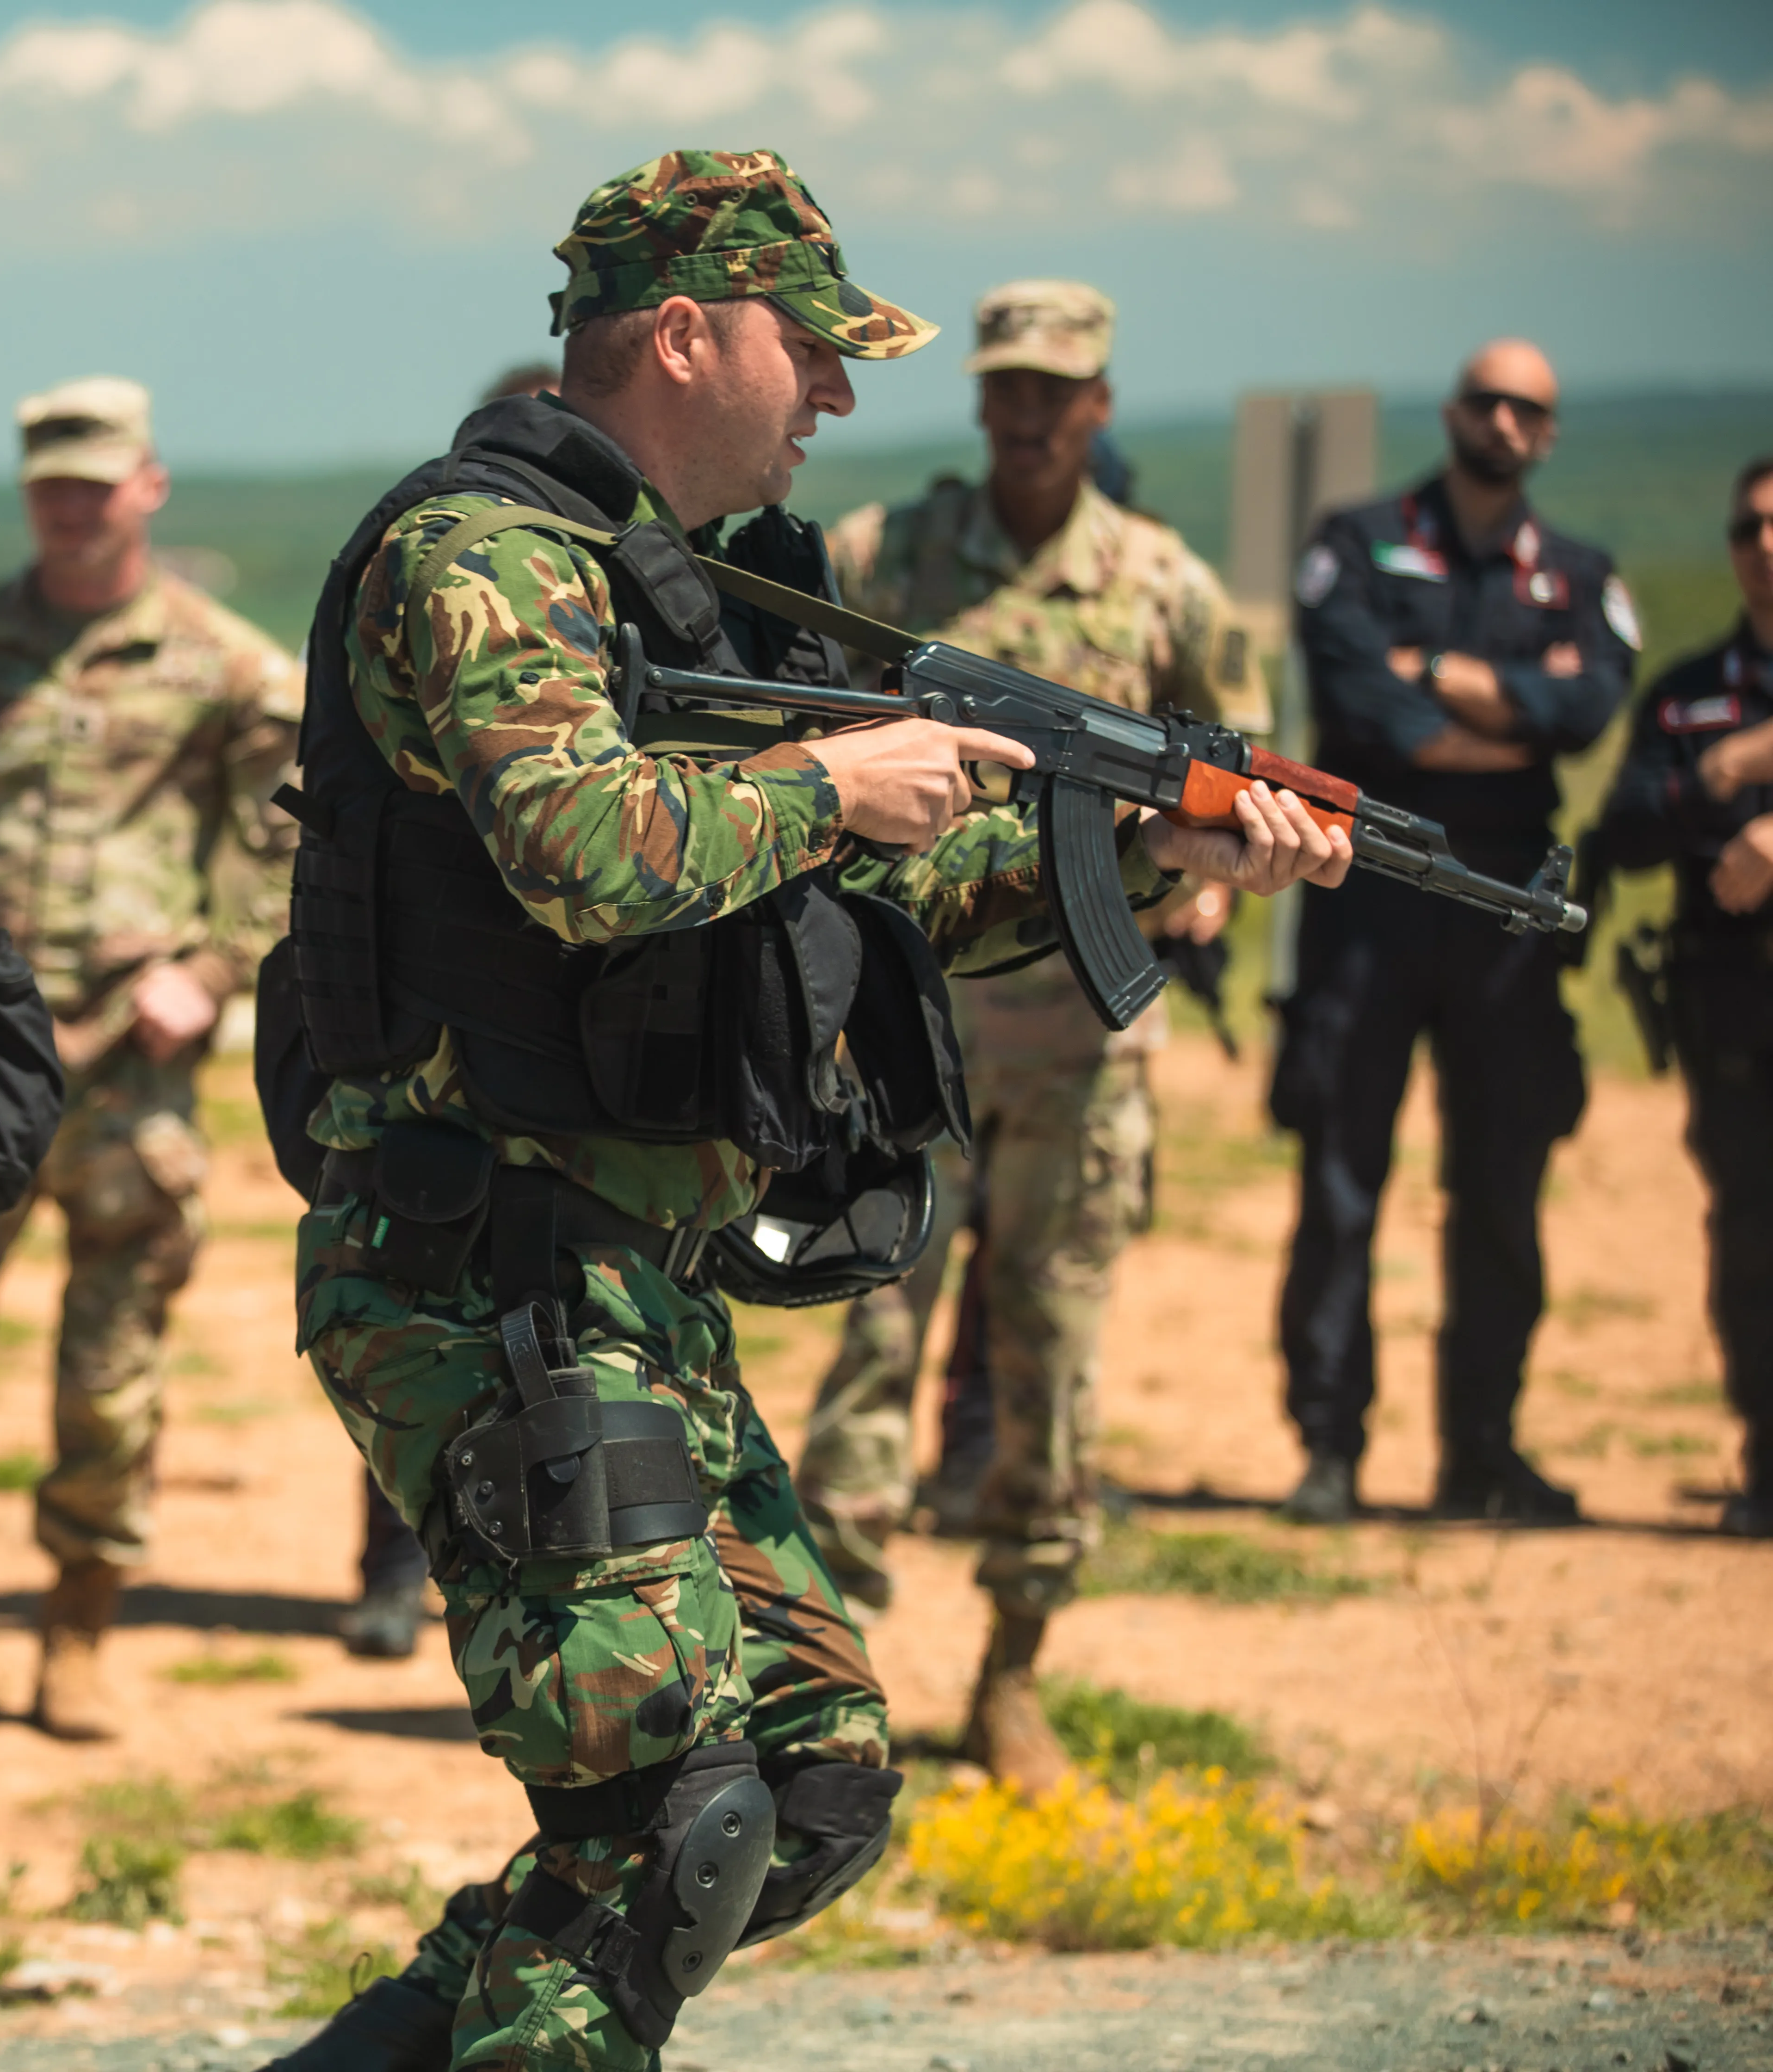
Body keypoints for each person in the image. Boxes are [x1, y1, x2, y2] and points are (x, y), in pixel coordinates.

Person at [261, 151, 1347, 2072]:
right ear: (685, 336)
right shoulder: (481, 559)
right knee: (667, 1823)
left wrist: (1185, 862)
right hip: (483, 1262)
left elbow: (866, 913)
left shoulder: (703, 596)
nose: (841, 397)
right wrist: (843, 785)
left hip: (630, 1286)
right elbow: (587, 848)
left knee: (811, 1782)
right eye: (814, 351)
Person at [791, 280, 1269, 1789]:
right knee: (870, 1338)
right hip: (907, 1026)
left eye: (1055, 389)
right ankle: (827, 1681)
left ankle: (1014, 1672)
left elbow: (1241, 793)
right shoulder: (887, 553)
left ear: (1101, 403)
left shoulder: (1167, 587)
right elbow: (791, 710)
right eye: (1004, 386)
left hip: (1081, 1036)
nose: (1025, 413)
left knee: (1054, 1360)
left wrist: (1207, 898)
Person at [0, 376, 303, 1739]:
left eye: (97, 480)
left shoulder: (224, 663)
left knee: (112, 1358)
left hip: (128, 1059)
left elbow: (296, 841)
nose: (72, 503)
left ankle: (80, 1622)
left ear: (148, 485)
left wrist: (211, 967)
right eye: (49, 479)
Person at [1276, 340, 1636, 1526]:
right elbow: (1372, 710)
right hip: (1370, 894)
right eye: (1485, 399)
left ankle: (1481, 1452)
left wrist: (1443, 680)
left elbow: (1586, 716)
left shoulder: (1579, 572)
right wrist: (1504, 710)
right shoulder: (1356, 539)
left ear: (1549, 431)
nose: (1503, 419)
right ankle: (1331, 1449)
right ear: (1453, 413)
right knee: (1341, 1185)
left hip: (1506, 917)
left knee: (1499, 1188)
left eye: (1528, 406)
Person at [341, 356, 568, 1665]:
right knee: (425, 1338)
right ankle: (397, 1571)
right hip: (443, 1075)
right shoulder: (460, 581)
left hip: (571, 1090)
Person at [1584, 455, 1773, 1539]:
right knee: (1751, 1237)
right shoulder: (1695, 696)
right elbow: (1627, 829)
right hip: (1736, 1009)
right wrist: (1720, 774)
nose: (1766, 546)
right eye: (1749, 526)